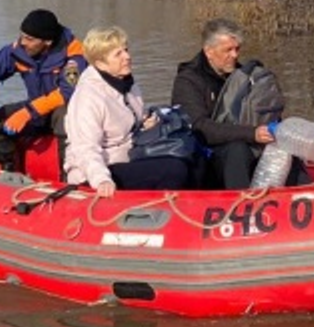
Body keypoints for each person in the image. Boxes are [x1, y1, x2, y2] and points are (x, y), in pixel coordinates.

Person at [64, 26, 195, 195]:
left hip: (130, 154)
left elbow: (129, 118)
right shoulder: (87, 98)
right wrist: (101, 179)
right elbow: (84, 149)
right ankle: (164, 211)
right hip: (98, 171)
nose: (127, 56)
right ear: (100, 63)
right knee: (174, 168)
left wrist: (146, 121)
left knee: (191, 154)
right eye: (118, 54)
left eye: (126, 50)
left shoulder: (127, 83)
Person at [0, 8, 87, 169]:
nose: (23, 42)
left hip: (67, 110)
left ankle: (70, 175)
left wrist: (28, 112)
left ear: (47, 42)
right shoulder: (20, 51)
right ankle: (8, 168)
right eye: (22, 36)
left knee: (64, 116)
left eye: (29, 39)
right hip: (36, 110)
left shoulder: (74, 55)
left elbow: (67, 93)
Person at [171, 18, 280, 189]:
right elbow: (200, 127)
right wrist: (252, 134)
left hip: (247, 142)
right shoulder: (188, 81)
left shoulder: (242, 77)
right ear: (209, 51)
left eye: (237, 49)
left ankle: (312, 193)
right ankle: (240, 206)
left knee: (282, 148)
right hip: (208, 157)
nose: (235, 55)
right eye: (228, 50)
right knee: (237, 149)